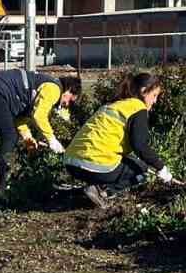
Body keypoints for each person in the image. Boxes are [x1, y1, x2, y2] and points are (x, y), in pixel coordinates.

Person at [64, 72, 178, 209]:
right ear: (143, 91)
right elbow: (140, 146)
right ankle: (103, 192)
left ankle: (86, 191)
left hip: (71, 163)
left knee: (127, 162)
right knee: (142, 170)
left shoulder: (114, 105)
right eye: (154, 96)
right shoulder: (138, 108)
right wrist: (161, 168)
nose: (155, 101)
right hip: (94, 163)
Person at [0, 69, 83, 195]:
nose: (67, 104)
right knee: (10, 136)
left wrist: (28, 138)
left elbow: (19, 118)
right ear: (68, 90)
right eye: (70, 100)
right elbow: (39, 115)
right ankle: (3, 186)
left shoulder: (39, 90)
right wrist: (52, 140)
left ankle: (3, 183)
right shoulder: (55, 89)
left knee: (8, 134)